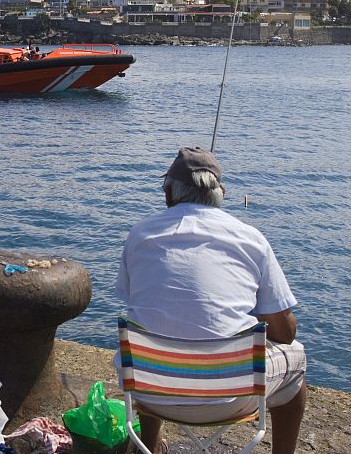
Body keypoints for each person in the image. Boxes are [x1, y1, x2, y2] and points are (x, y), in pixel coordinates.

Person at [115, 147, 306, 454]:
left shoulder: (138, 235)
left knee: (151, 332)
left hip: (148, 391)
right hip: (231, 398)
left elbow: (136, 303)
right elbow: (285, 333)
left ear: (168, 195)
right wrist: (253, 320)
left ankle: (148, 447)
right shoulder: (251, 239)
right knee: (296, 357)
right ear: (220, 194)